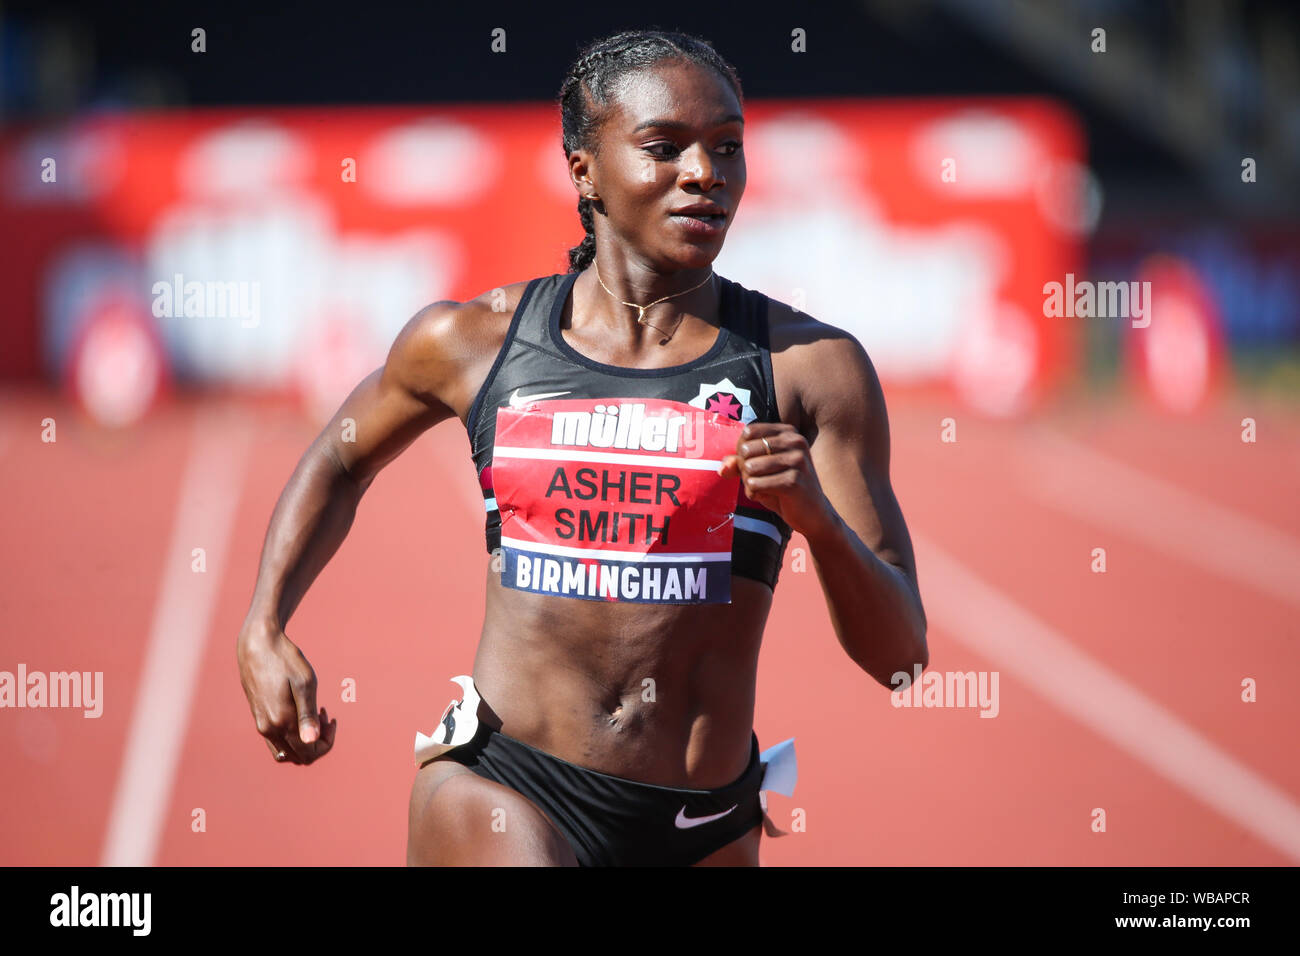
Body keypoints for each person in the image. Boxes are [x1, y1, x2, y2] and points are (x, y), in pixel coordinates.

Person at [236, 28, 927, 867]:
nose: (704, 174)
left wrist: (815, 521)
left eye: (728, 148)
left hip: (704, 822)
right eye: (665, 148)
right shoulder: (474, 343)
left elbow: (900, 660)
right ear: (583, 169)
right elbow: (343, 457)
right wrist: (265, 624)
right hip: (508, 786)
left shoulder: (811, 369)